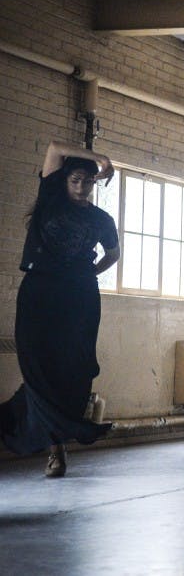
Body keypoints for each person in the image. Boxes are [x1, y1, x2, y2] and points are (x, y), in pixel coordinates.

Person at [0, 141, 119, 477]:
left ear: (95, 185)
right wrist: (99, 158)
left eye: (88, 182)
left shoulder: (100, 219)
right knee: (38, 369)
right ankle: (47, 443)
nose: (81, 187)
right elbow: (53, 148)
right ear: (65, 181)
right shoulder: (51, 197)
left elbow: (113, 255)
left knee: (73, 373)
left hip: (78, 296)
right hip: (40, 292)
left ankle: (55, 443)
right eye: (76, 180)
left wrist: (86, 275)